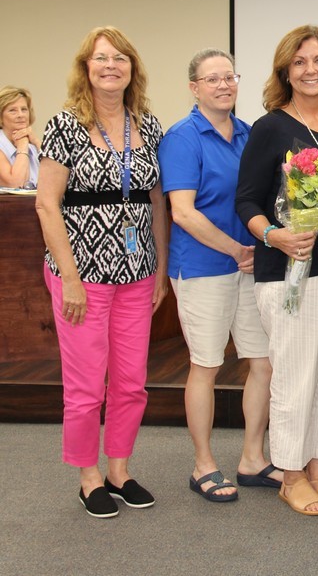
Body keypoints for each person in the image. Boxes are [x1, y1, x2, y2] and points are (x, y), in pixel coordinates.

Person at [34, 26, 169, 518]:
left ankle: (119, 470)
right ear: (86, 68)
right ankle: (88, 476)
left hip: (136, 271)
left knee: (132, 381)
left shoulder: (149, 127)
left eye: (120, 59)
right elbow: (47, 206)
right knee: (87, 383)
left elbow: (157, 202)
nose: (111, 66)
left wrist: (159, 268)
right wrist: (68, 277)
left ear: (132, 69)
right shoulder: (63, 126)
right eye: (101, 58)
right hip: (82, 274)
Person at [236, 25, 318, 517]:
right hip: (289, 269)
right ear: (286, 71)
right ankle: (290, 474)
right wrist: (275, 234)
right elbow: (245, 199)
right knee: (296, 375)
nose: (311, 70)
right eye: (301, 62)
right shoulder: (270, 127)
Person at [158, 48, 281, 503]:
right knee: (206, 366)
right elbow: (183, 214)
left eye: (229, 76)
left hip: (250, 267)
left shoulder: (249, 133)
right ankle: (203, 465)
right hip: (204, 269)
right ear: (194, 87)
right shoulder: (183, 138)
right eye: (212, 79)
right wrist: (238, 250)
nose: (223, 85)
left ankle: (252, 457)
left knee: (263, 364)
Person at [0, 86, 40, 188]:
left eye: (24, 109)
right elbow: (16, 184)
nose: (20, 115)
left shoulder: (33, 146)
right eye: (12, 110)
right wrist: (22, 145)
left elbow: (58, 178)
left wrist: (37, 142)